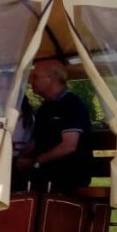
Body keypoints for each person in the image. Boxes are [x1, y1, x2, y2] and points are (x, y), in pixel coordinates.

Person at [14, 58, 93, 191]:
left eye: (35, 77)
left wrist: (35, 161)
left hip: (67, 172)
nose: (30, 82)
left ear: (52, 78)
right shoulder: (45, 109)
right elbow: (35, 143)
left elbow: (69, 146)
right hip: (45, 171)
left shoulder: (71, 104)